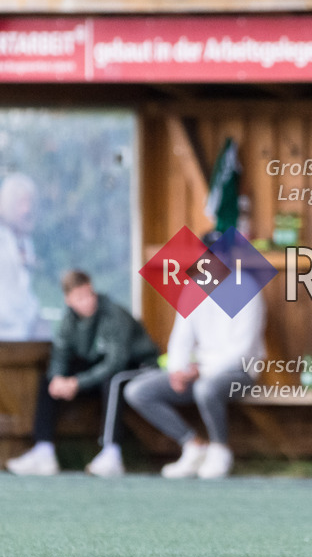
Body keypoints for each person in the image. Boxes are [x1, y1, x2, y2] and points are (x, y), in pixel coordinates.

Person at [124, 233, 266, 479]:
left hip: (240, 372)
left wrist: (200, 371)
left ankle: (220, 450)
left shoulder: (248, 289)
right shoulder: (194, 288)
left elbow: (242, 351)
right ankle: (193, 446)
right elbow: (181, 338)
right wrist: (177, 371)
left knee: (205, 389)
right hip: (197, 371)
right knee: (137, 391)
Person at [5, 270, 160, 477]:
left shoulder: (114, 315)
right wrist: (59, 379)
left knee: (113, 381)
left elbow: (116, 363)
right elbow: (60, 354)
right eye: (80, 297)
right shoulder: (69, 320)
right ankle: (44, 450)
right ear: (68, 300)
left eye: (89, 294)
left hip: (138, 367)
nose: (87, 301)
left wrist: (78, 383)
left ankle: (112, 453)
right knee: (49, 381)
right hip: (98, 373)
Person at [0, 172, 44, 340]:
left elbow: (23, 290)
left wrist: (35, 316)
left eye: (30, 202)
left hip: (22, 334)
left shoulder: (25, 241)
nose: (27, 209)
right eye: (21, 203)